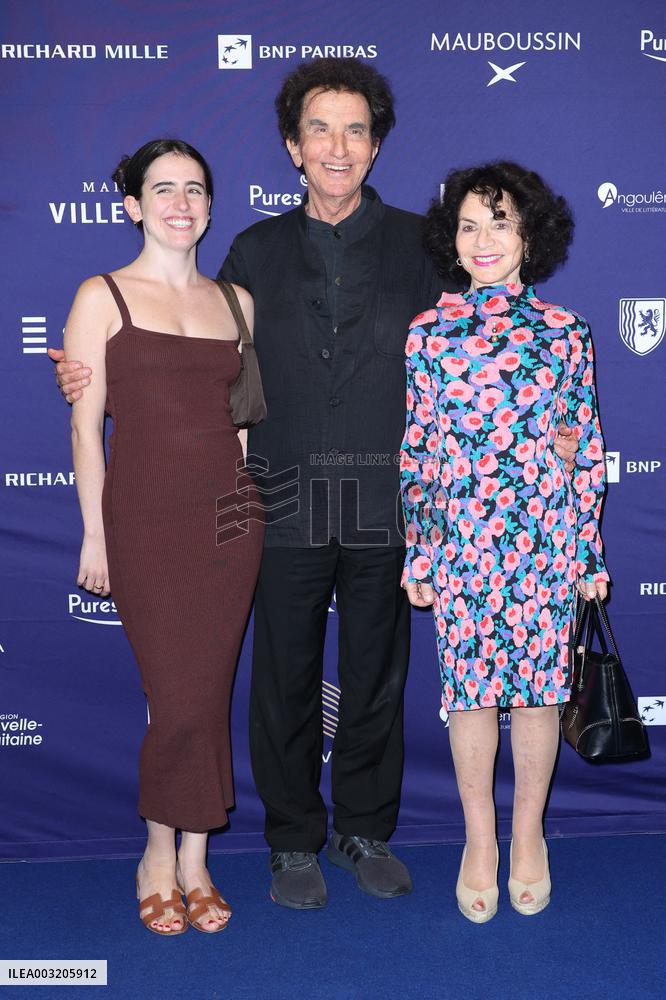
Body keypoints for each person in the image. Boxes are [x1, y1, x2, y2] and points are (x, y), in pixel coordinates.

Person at [51, 59, 578, 911]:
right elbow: (196, 356)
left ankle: (364, 827)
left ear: (375, 147)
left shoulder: (424, 247)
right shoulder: (253, 251)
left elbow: (485, 344)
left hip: (386, 498)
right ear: (293, 147)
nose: (339, 146)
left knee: (376, 674)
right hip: (277, 495)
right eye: (321, 130)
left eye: (357, 130)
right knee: (283, 676)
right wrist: (87, 374)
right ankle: (291, 837)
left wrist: (550, 427)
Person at [61, 138, 263, 934]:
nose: (182, 201)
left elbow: (242, 427)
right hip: (142, 520)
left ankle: (195, 860)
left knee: (207, 692)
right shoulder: (100, 296)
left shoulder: (239, 303)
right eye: (164, 188)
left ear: (211, 205)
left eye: (196, 188)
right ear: (133, 206)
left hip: (229, 521)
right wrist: (93, 537)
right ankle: (157, 852)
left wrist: (246, 511)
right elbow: (85, 431)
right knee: (174, 696)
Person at [401, 161, 608, 922]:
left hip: (545, 540)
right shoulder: (427, 335)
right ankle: (478, 842)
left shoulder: (566, 334)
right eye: (469, 224)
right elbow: (419, 452)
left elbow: (583, 448)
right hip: (462, 543)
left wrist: (586, 554)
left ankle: (529, 839)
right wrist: (419, 551)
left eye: (500, 222)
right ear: (451, 238)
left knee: (539, 696)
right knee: (472, 697)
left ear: (530, 235)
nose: (484, 239)